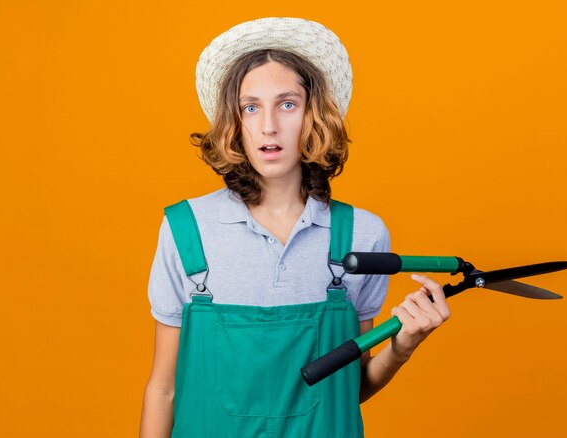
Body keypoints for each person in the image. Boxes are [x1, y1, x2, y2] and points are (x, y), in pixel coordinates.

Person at [139, 17, 450, 438]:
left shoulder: (362, 235)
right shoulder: (186, 229)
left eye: (287, 104)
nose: (269, 125)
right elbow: (165, 389)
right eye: (251, 107)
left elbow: (349, 386)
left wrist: (404, 345)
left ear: (313, 116)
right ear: (235, 121)